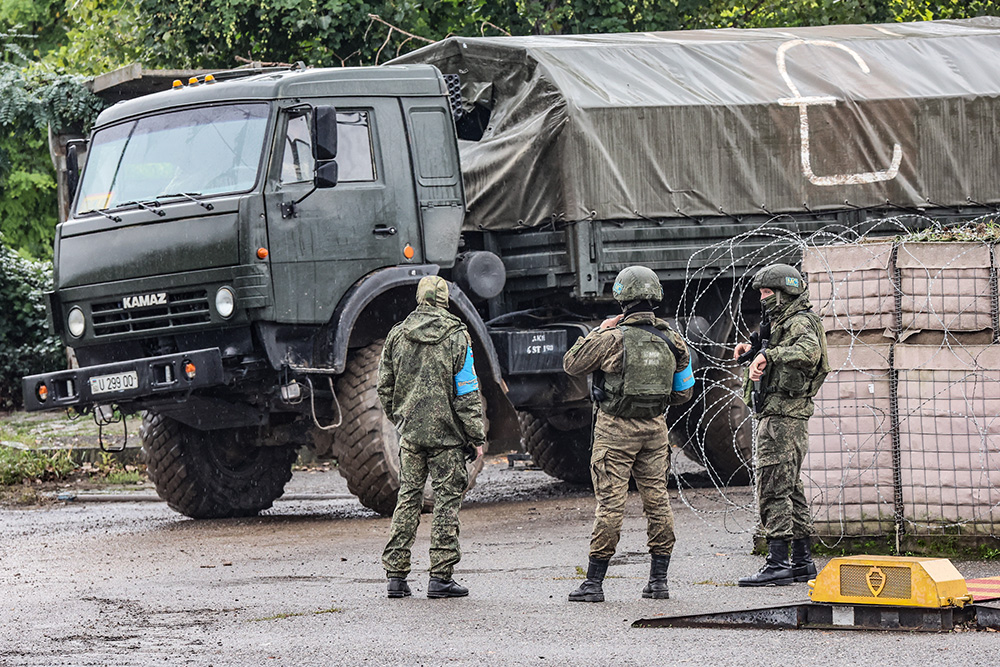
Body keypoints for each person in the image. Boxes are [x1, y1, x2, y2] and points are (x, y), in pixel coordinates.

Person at [563, 265, 695, 602]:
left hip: (615, 431)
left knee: (610, 507)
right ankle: (659, 582)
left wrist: (598, 330)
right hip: (655, 431)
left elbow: (572, 364)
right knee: (658, 503)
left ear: (622, 298)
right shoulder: (673, 340)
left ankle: (593, 584)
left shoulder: (611, 338)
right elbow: (684, 393)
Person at [377, 275, 486, 599]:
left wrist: (402, 418)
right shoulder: (457, 335)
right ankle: (440, 577)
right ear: (444, 300)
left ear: (419, 298)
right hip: (447, 438)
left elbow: (384, 385)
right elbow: (467, 391)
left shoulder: (397, 334)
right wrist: (475, 436)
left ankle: (396, 577)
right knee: (446, 502)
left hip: (411, 436)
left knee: (408, 498)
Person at [733, 263, 829, 587]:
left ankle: (777, 562)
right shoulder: (782, 321)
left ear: (784, 292)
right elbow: (770, 347)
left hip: (782, 415)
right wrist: (752, 351)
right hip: (781, 413)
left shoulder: (800, 321)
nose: (761, 298)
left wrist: (770, 356)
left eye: (766, 292)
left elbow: (808, 352)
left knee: (772, 485)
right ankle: (802, 562)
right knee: (790, 486)